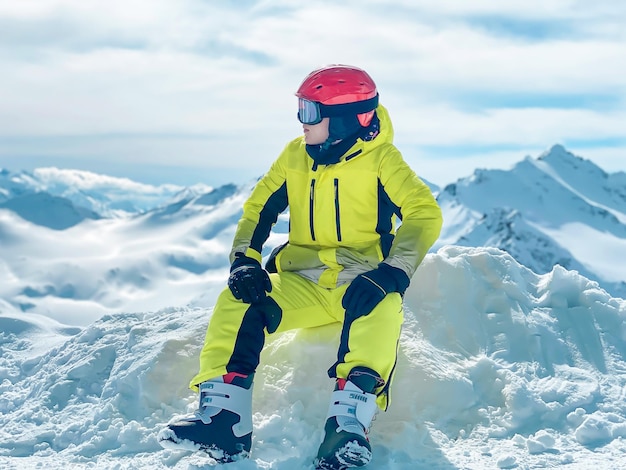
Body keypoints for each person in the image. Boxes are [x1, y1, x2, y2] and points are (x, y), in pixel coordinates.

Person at [158, 64, 443, 469]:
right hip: (301, 280)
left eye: (310, 112)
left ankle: (346, 430)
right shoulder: (295, 156)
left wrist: (391, 273)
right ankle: (224, 421)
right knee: (237, 301)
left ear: (344, 119)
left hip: (360, 281)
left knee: (381, 312)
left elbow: (424, 213)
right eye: (301, 109)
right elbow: (259, 209)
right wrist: (244, 261)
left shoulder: (382, 160)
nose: (301, 122)